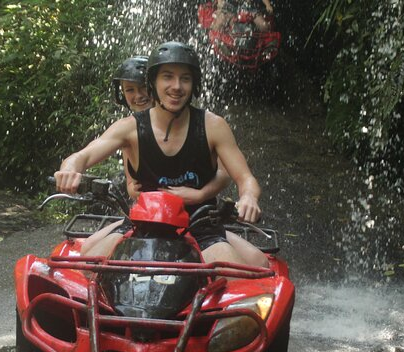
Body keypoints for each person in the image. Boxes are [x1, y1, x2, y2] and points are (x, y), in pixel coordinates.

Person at [55, 42, 267, 266]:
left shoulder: (214, 126)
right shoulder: (129, 128)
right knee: (86, 267)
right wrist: (70, 169)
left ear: (194, 84)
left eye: (185, 78)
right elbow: (84, 156)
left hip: (201, 226)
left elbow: (245, 179)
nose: (176, 86)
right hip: (142, 225)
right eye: (167, 77)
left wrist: (248, 197)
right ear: (153, 82)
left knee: (246, 272)